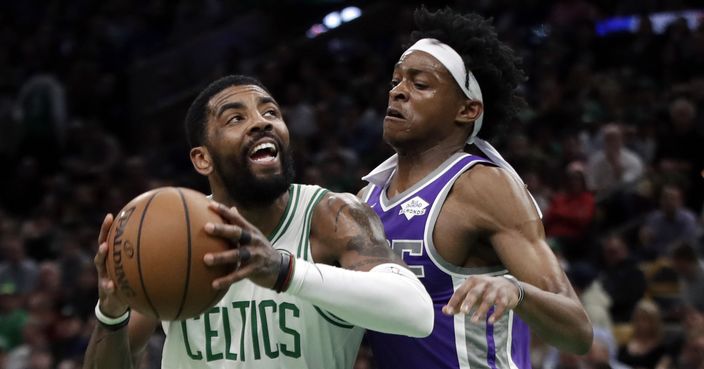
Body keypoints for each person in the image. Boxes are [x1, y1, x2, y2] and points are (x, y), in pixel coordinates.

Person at [82, 75, 434, 369]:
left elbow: (416, 313)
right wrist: (110, 312)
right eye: (235, 118)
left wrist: (283, 271)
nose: (262, 121)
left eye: (270, 112)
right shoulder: (172, 234)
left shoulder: (331, 216)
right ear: (202, 159)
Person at [359, 7, 592, 369]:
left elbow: (576, 332)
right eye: (396, 82)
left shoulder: (484, 185)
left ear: (467, 110)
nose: (398, 93)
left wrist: (517, 292)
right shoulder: (367, 199)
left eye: (419, 84)